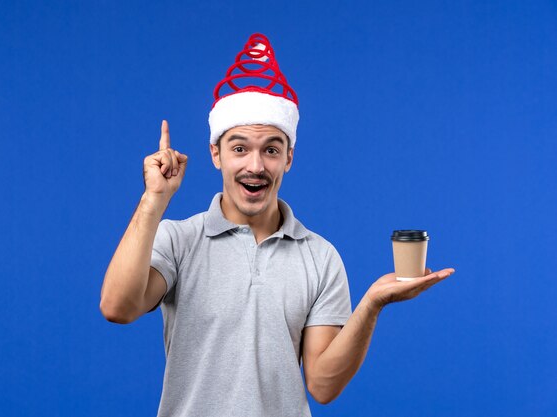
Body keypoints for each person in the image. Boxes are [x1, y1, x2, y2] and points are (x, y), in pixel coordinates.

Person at [100, 33, 455, 417]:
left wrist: (372, 304)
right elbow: (119, 307)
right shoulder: (178, 239)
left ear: (289, 158)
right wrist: (154, 200)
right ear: (215, 154)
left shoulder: (320, 257)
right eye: (240, 148)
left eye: (271, 149)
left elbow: (323, 385)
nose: (256, 166)